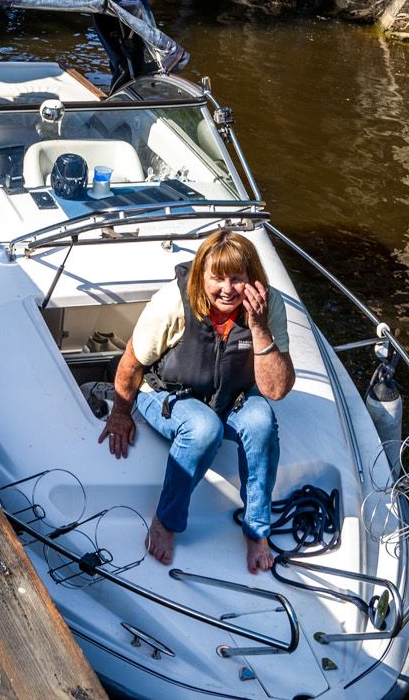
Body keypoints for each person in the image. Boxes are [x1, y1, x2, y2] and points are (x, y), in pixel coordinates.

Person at [95, 229, 294, 573]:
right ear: (202, 275)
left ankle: (257, 530)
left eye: (237, 278)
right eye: (217, 278)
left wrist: (259, 327)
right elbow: (132, 360)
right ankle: (166, 522)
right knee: (204, 429)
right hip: (167, 393)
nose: (227, 289)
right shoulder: (172, 302)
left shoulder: (268, 305)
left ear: (253, 279)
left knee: (262, 421)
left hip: (232, 396)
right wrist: (120, 413)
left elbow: (276, 390)